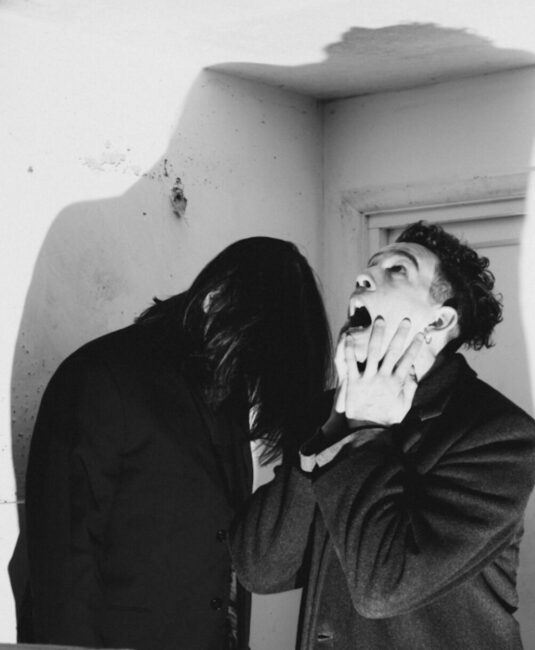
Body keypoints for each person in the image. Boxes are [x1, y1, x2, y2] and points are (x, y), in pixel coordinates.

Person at [231, 221, 535, 649]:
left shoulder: (499, 436)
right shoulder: (327, 414)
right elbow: (260, 569)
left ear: (440, 320)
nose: (364, 277)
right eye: (370, 267)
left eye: (398, 270)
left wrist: (363, 431)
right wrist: (336, 426)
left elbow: (384, 588)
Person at [21, 237, 334, 650]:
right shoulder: (102, 377)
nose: (252, 377)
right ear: (215, 300)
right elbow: (61, 572)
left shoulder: (225, 396)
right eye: (252, 354)